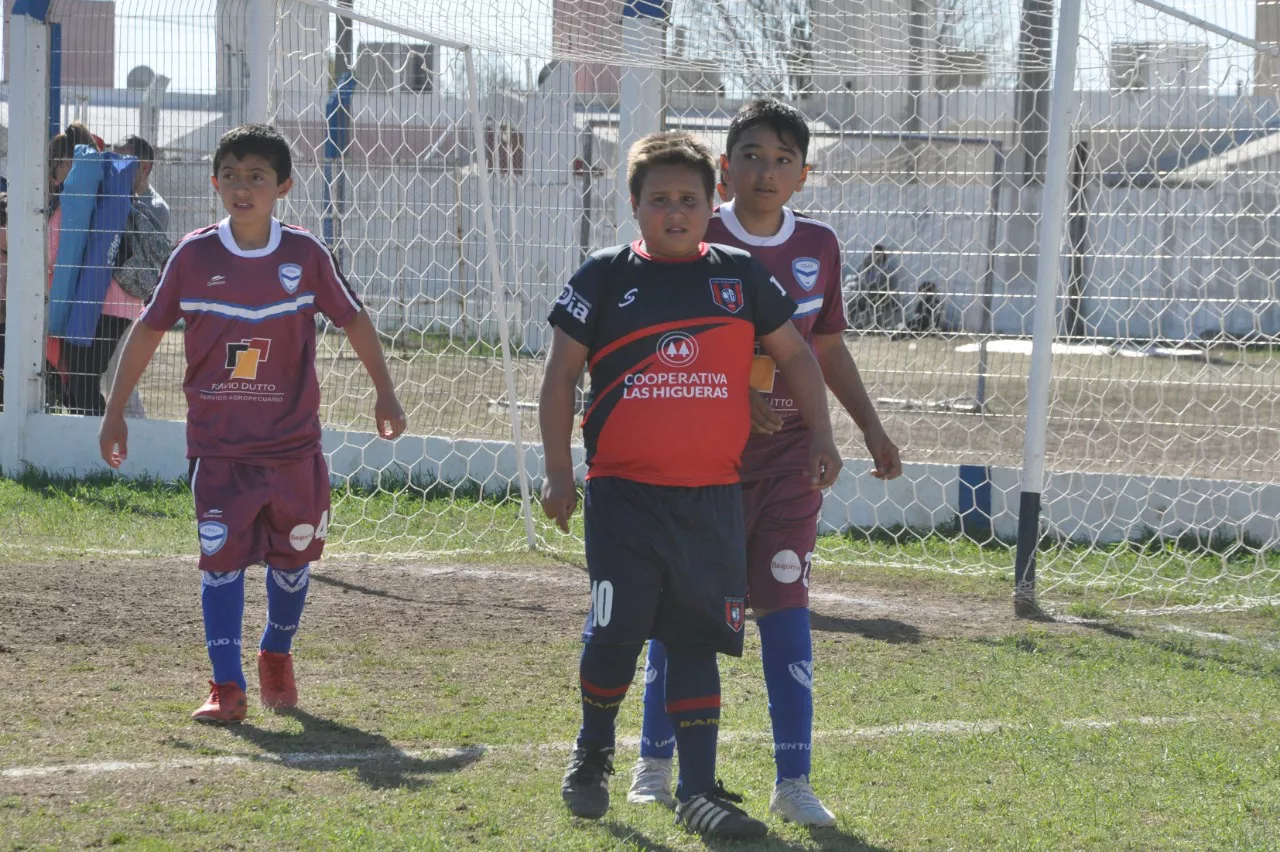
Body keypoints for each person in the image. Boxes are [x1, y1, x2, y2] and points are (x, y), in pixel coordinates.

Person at [540, 130, 842, 840]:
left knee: (696, 638)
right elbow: (560, 377)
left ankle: (700, 791)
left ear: (715, 202)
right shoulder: (603, 276)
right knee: (616, 632)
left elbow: (796, 356)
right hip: (624, 496)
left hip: (712, 497)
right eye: (659, 201)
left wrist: (824, 434)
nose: (674, 212)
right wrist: (559, 470)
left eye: (689, 200)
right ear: (634, 205)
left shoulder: (739, 277)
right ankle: (592, 755)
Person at [627, 99, 903, 827]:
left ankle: (795, 779)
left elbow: (827, 347)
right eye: (751, 155)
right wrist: (728, 393)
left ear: (803, 175)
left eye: (783, 159)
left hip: (786, 466)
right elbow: (666, 341)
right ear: (724, 169)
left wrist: (864, 428)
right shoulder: (693, 233)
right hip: (701, 466)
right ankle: (654, 763)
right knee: (681, 614)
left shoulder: (819, 245)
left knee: (785, 607)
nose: (765, 171)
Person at [98, 124, 407, 723]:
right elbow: (148, 330)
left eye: (257, 177)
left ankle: (276, 654)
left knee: (293, 565)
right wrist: (115, 409)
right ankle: (226, 686)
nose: (244, 188)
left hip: (293, 450)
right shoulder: (193, 255)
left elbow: (355, 320)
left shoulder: (306, 255)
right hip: (219, 450)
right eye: (232, 175)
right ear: (215, 182)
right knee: (220, 562)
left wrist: (386, 392)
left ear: (282, 186)